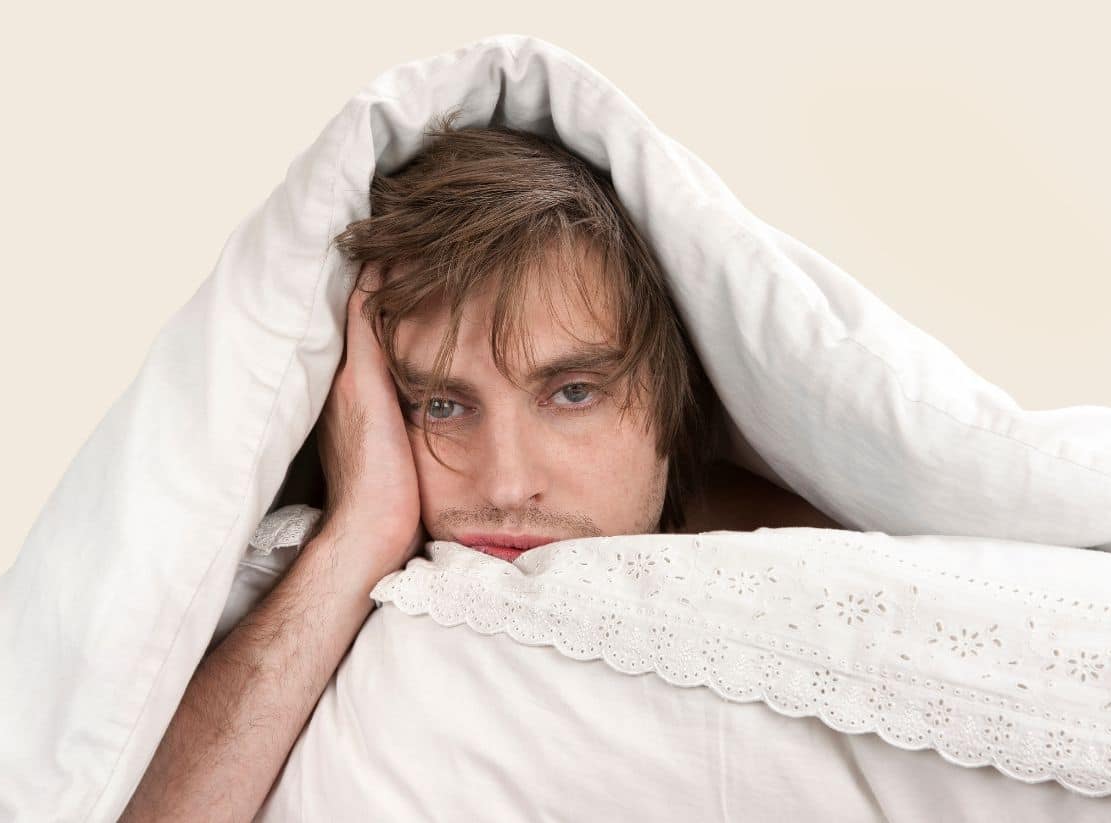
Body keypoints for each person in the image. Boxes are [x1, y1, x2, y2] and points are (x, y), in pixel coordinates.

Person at [121, 109, 840, 821]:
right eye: (441, 405)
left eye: (573, 392)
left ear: (675, 399)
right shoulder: (308, 583)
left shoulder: (824, 594)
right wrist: (361, 534)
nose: (506, 485)